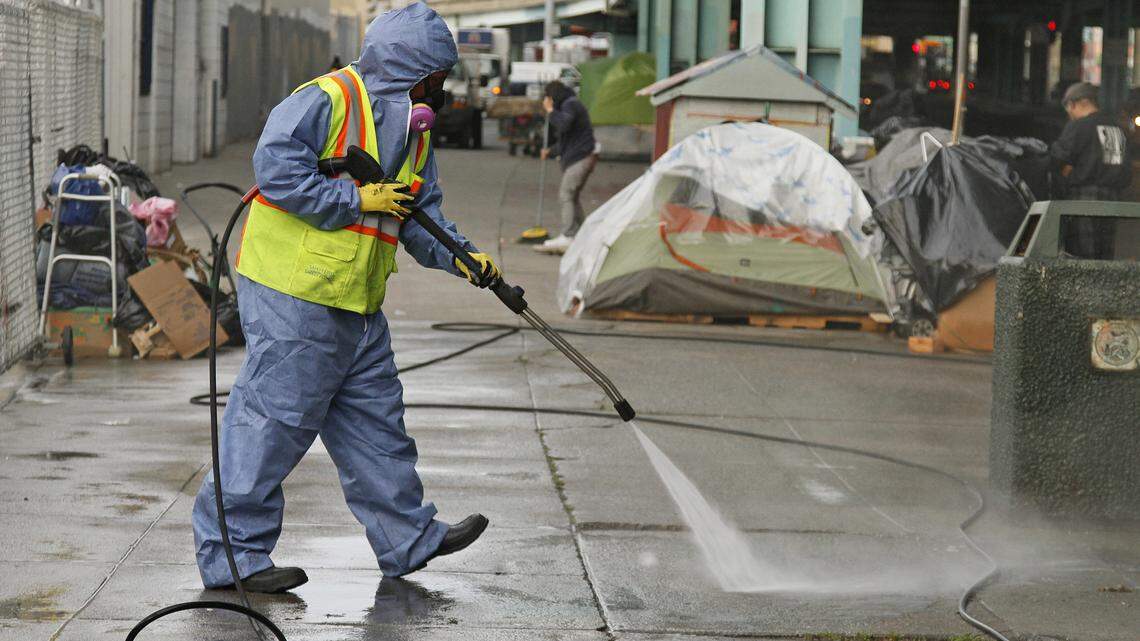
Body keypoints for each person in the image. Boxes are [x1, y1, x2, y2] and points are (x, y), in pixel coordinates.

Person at [191, 2, 498, 594]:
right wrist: (357, 201)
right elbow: (276, 171)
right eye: (439, 75)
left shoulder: (414, 126)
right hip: (295, 294)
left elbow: (418, 212)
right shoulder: (327, 99)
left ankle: (408, 537)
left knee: (376, 423)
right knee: (271, 425)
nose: (445, 87)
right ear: (414, 68)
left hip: (355, 301)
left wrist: (464, 257)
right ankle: (232, 557)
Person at [535, 80, 597, 255]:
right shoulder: (569, 104)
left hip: (581, 157)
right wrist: (551, 151)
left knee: (566, 194)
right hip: (581, 156)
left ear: (552, 96)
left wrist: (550, 111)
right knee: (573, 196)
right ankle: (584, 234)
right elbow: (566, 138)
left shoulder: (571, 104)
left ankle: (569, 235)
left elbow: (564, 124)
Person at [1050, 82, 1132, 201]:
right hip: (1114, 200)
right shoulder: (1117, 128)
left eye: (1068, 106)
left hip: (1083, 198)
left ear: (1076, 103)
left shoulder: (1079, 126)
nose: (1068, 112)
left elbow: (1058, 158)